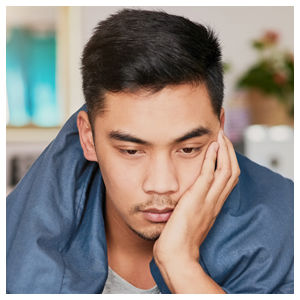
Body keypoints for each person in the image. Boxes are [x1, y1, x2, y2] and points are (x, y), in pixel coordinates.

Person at [6, 9, 294, 294]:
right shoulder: (12, 246)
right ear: (89, 139)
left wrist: (179, 265)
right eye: (131, 151)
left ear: (220, 130)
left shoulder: (288, 228)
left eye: (189, 148)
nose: (162, 184)